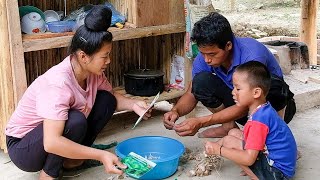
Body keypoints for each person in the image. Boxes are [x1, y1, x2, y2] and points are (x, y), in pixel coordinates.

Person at [5, 5, 151, 180]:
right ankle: (48, 174)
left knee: (107, 100)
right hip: (23, 147)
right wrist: (100, 155)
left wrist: (134, 105)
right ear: (83, 56)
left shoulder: (92, 73)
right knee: (75, 121)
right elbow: (51, 142)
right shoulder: (58, 84)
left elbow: (112, 98)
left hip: (48, 137)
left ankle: (71, 161)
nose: (109, 61)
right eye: (104, 56)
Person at [163, 12, 296, 138]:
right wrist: (176, 111)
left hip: (269, 106)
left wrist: (202, 122)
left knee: (273, 86)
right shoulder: (205, 57)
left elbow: (249, 103)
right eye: (203, 53)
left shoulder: (252, 56)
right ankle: (228, 127)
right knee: (200, 82)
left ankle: (277, 135)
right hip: (240, 104)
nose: (206, 60)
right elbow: (192, 93)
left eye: (212, 54)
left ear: (228, 45)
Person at [205, 61, 297, 180]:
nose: (233, 92)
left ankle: (255, 176)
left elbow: (248, 159)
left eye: (238, 89)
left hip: (278, 174)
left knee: (228, 142)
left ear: (256, 92)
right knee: (233, 133)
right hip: (284, 165)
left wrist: (219, 150)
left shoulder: (258, 122)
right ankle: (258, 169)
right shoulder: (264, 109)